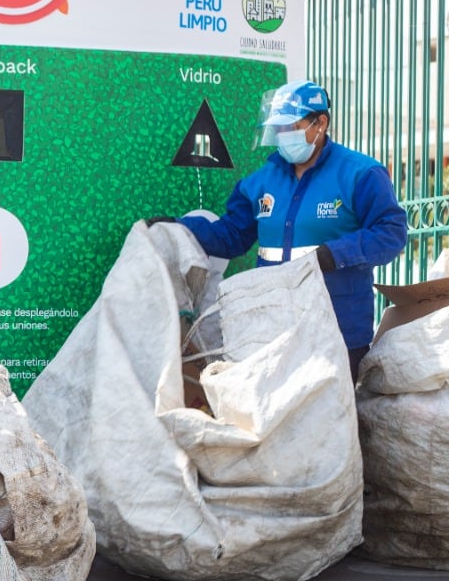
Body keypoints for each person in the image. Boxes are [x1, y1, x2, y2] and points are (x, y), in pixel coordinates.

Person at [150, 79, 407, 381]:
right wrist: (180, 227)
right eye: (279, 129)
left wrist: (335, 254)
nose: (284, 136)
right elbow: (231, 235)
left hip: (337, 330)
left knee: (329, 412)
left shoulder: (360, 174)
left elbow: (391, 233)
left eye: (292, 127)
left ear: (320, 123)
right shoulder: (261, 182)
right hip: (273, 332)